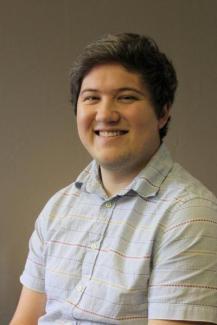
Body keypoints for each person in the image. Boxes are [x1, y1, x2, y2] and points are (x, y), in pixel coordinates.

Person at [10, 33, 217, 325]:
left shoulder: (189, 216)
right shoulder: (58, 208)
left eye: (126, 97)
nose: (105, 114)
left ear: (163, 112)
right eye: (92, 98)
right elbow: (25, 320)